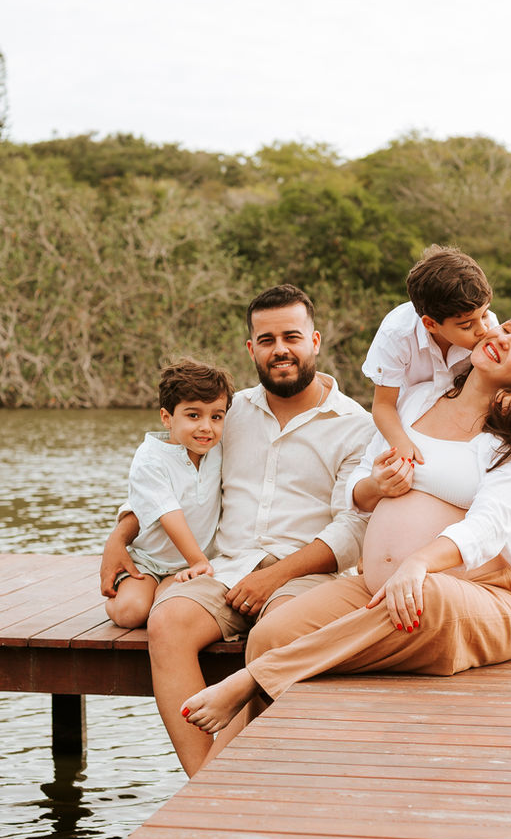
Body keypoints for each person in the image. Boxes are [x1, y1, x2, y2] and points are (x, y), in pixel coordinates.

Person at [181, 309, 511, 759]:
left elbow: (487, 528)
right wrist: (375, 487)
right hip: (377, 588)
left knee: (429, 596)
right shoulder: (417, 400)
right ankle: (230, 778)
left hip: (480, 597)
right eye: (509, 328)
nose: (504, 340)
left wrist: (417, 563)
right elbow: (354, 494)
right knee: (270, 636)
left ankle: (250, 681)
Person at [100, 284, 374, 775]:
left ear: (315, 340)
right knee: (167, 622)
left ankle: (212, 789)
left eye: (291, 336)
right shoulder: (229, 411)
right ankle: (204, 782)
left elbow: (352, 531)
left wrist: (273, 577)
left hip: (306, 577)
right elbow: (170, 475)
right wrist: (119, 536)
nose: (280, 350)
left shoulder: (357, 425)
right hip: (225, 568)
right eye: (266, 340)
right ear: (252, 348)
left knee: (275, 637)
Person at [104, 359, 235, 630]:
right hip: (150, 561)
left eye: (216, 416)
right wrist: (197, 561)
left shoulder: (217, 451)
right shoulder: (150, 458)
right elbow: (169, 514)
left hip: (195, 564)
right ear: (167, 418)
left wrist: (199, 562)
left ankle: (162, 593)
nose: (206, 427)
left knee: (170, 610)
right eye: (193, 415)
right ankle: (120, 595)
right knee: (131, 612)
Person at [364, 244, 497, 465]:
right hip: (410, 420)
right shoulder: (396, 334)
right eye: (466, 326)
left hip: (467, 422)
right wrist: (401, 442)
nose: (483, 329)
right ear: (431, 324)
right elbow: (383, 405)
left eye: (484, 314)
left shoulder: (488, 327)